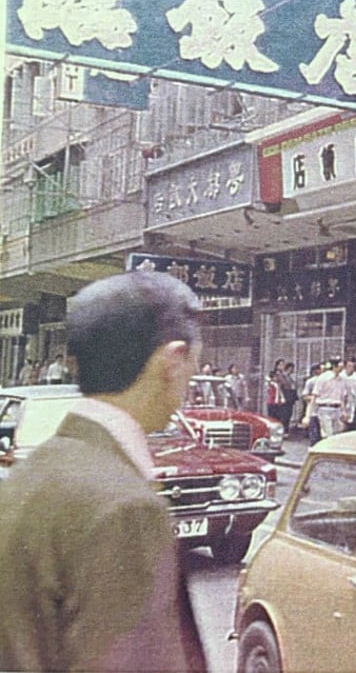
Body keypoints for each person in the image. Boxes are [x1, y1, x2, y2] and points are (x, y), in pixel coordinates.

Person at [0, 271, 206, 672]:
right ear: (173, 359)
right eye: (196, 360)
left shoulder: (31, 474)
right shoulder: (125, 507)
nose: (194, 375)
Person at [309, 357, 350, 439]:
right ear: (335, 366)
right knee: (328, 434)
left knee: (338, 434)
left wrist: (344, 411)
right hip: (325, 408)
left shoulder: (342, 380)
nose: (342, 366)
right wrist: (309, 414)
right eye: (340, 364)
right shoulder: (323, 378)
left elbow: (341, 397)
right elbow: (315, 395)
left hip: (337, 409)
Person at [301, 362, 324, 445]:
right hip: (314, 410)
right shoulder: (311, 382)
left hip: (324, 410)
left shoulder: (328, 380)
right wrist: (315, 399)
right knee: (314, 432)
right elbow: (305, 396)